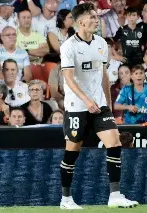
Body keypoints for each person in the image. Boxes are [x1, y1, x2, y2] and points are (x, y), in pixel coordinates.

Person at [59, 3, 138, 209]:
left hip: (100, 105)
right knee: (72, 151)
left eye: (96, 16)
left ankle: (115, 195)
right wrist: (86, 100)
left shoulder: (101, 43)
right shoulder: (68, 46)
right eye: (92, 17)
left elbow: (103, 74)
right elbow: (67, 77)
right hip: (77, 106)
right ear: (80, 21)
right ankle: (66, 199)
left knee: (114, 143)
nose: (96, 20)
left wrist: (108, 104)